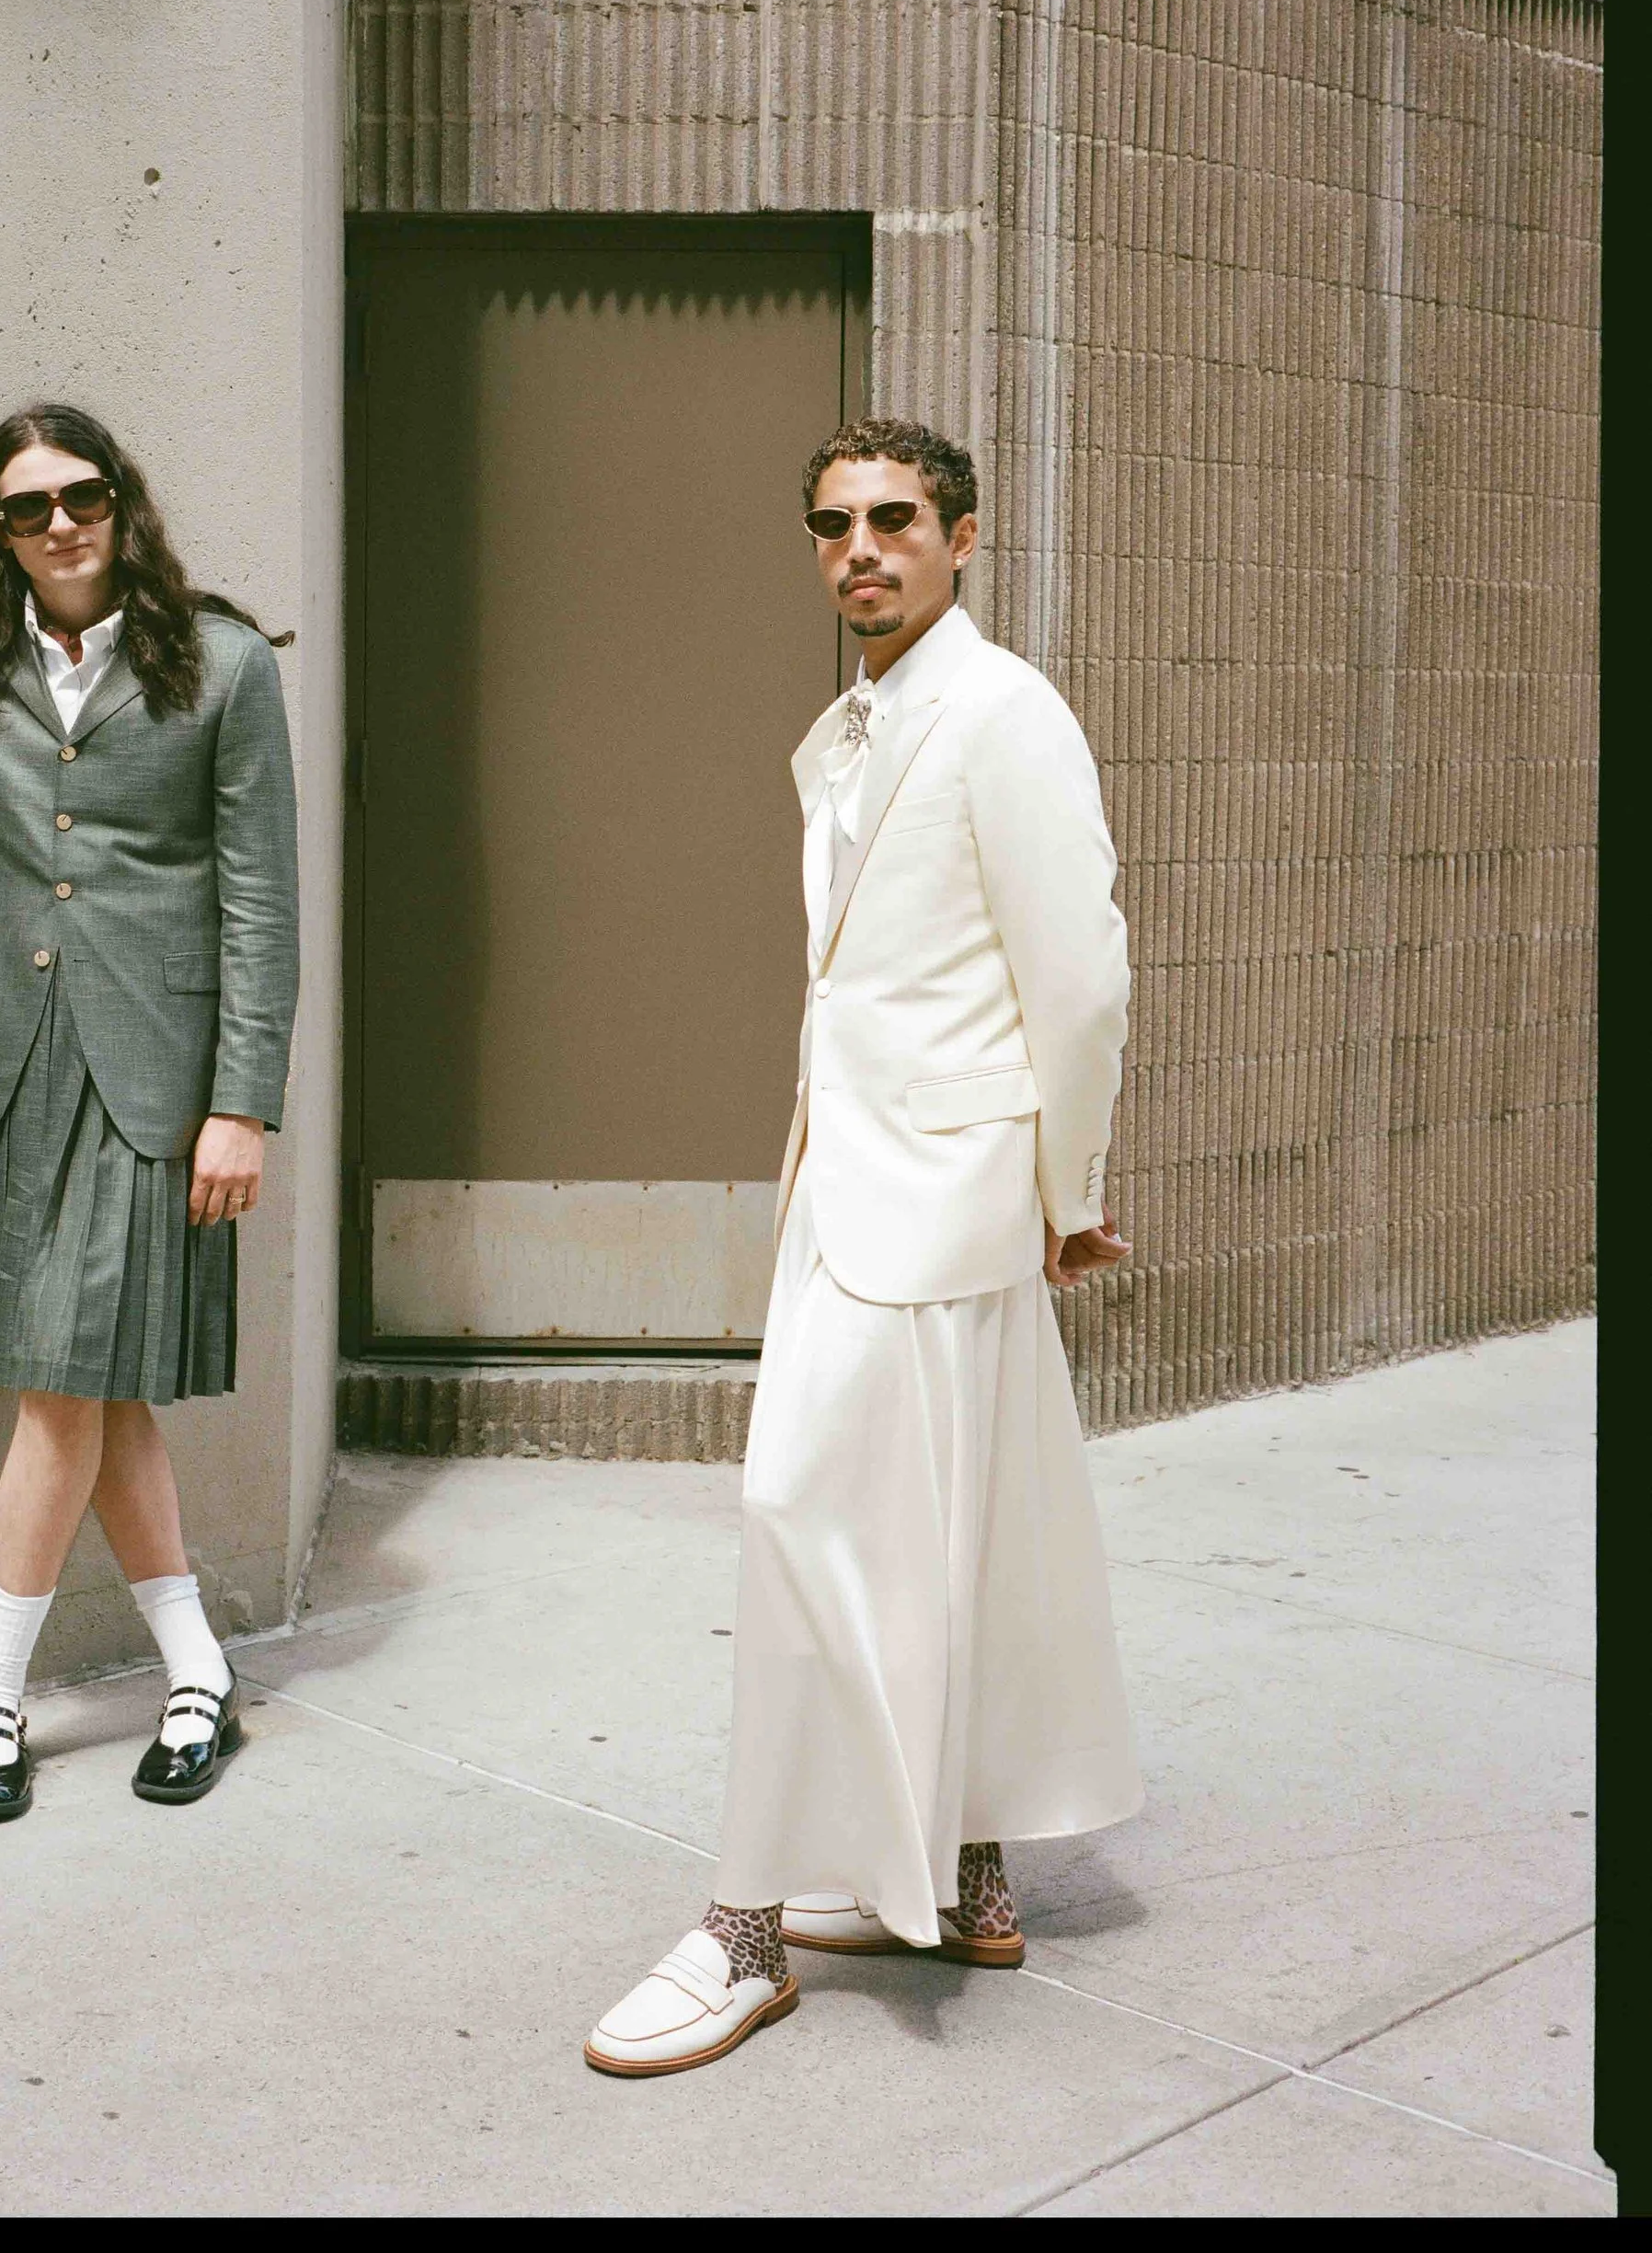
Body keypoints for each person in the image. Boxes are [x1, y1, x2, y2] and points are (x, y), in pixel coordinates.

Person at [584, 416, 1141, 2076]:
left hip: (947, 1204)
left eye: (896, 521)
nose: (861, 552)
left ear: (963, 538)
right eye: (834, 527)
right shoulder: (852, 728)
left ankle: (749, 1926)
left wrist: (1069, 1194)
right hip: (859, 1185)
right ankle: (965, 1878)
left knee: (795, 1512)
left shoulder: (1003, 712)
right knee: (957, 1532)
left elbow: (1085, 976)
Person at [0, 403, 299, 1825]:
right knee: (97, 1386)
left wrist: (241, 1105)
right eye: (25, 506)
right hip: (6, 1073)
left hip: (153, 1081)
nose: (58, 524)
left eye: (82, 494)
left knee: (60, 1386)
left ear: (124, 503)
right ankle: (197, 1671)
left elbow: (260, 901)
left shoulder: (226, 666)